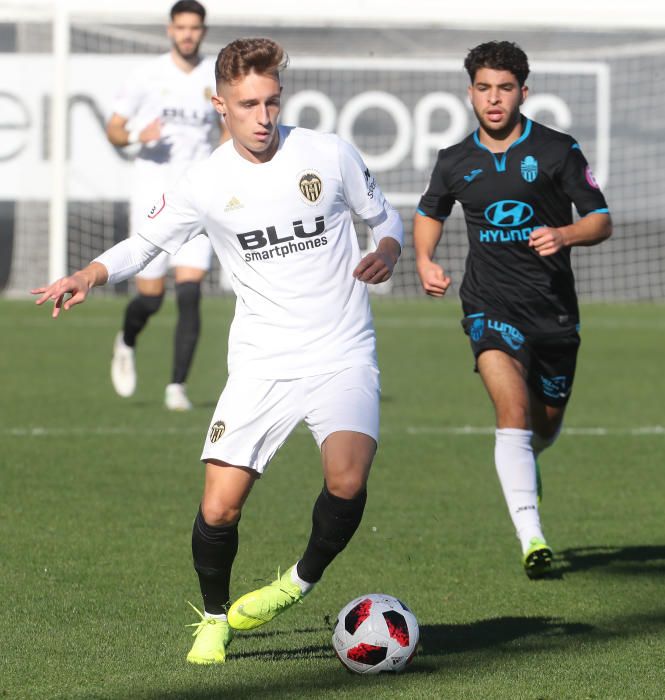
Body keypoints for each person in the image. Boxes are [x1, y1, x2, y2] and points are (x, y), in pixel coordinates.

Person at [33, 38, 403, 664]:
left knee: (346, 479)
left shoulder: (328, 153)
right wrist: (87, 275)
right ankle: (213, 616)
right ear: (219, 105)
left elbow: (386, 220)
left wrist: (388, 251)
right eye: (249, 104)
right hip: (262, 362)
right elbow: (143, 244)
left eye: (272, 102)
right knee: (218, 506)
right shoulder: (206, 183)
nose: (264, 117)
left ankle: (298, 583)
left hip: (342, 350)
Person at [414, 41, 612, 579]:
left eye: (505, 88)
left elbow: (601, 219)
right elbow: (430, 211)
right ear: (470, 93)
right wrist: (425, 258)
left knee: (542, 428)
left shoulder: (557, 150)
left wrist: (565, 233)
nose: (494, 99)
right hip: (487, 304)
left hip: (552, 312)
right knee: (512, 414)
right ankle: (533, 538)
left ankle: (529, 462)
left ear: (524, 92)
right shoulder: (454, 160)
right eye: (483, 88)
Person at [106, 0, 224, 411]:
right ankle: (127, 340)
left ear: (203, 32)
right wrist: (140, 133)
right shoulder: (146, 76)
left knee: (190, 292)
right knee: (152, 298)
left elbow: (229, 131)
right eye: (181, 27)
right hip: (153, 199)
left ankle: (177, 386)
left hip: (198, 201)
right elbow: (115, 131)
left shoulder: (216, 76)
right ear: (170, 30)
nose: (188, 34)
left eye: (195, 28)